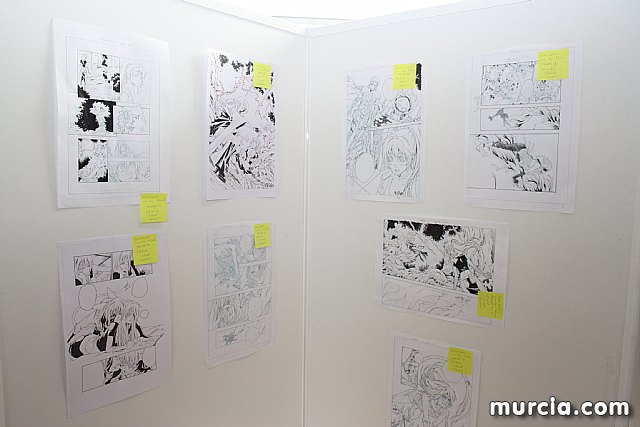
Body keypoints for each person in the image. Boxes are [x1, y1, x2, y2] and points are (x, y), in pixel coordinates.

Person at [377, 131, 419, 198]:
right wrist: (381, 188)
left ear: (411, 157)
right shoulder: (387, 178)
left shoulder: (415, 181)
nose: (395, 164)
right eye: (390, 158)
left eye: (401, 158)